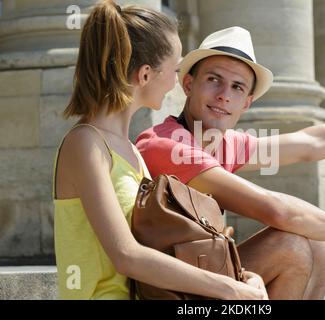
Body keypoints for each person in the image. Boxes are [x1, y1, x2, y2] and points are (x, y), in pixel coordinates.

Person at [136, 26, 325, 300]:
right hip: (167, 291)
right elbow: (276, 210)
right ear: (188, 84)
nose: (223, 96)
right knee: (293, 245)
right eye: (214, 80)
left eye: (237, 87)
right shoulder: (168, 144)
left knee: (320, 246)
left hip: (203, 278)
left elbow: (312, 144)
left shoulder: (220, 144)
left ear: (246, 103)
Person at [53, 2, 267, 300]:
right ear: (144, 75)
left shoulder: (130, 149)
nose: (176, 83)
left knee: (288, 257)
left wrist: (243, 277)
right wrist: (231, 289)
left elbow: (160, 244)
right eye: (175, 69)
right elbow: (126, 255)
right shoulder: (85, 144)